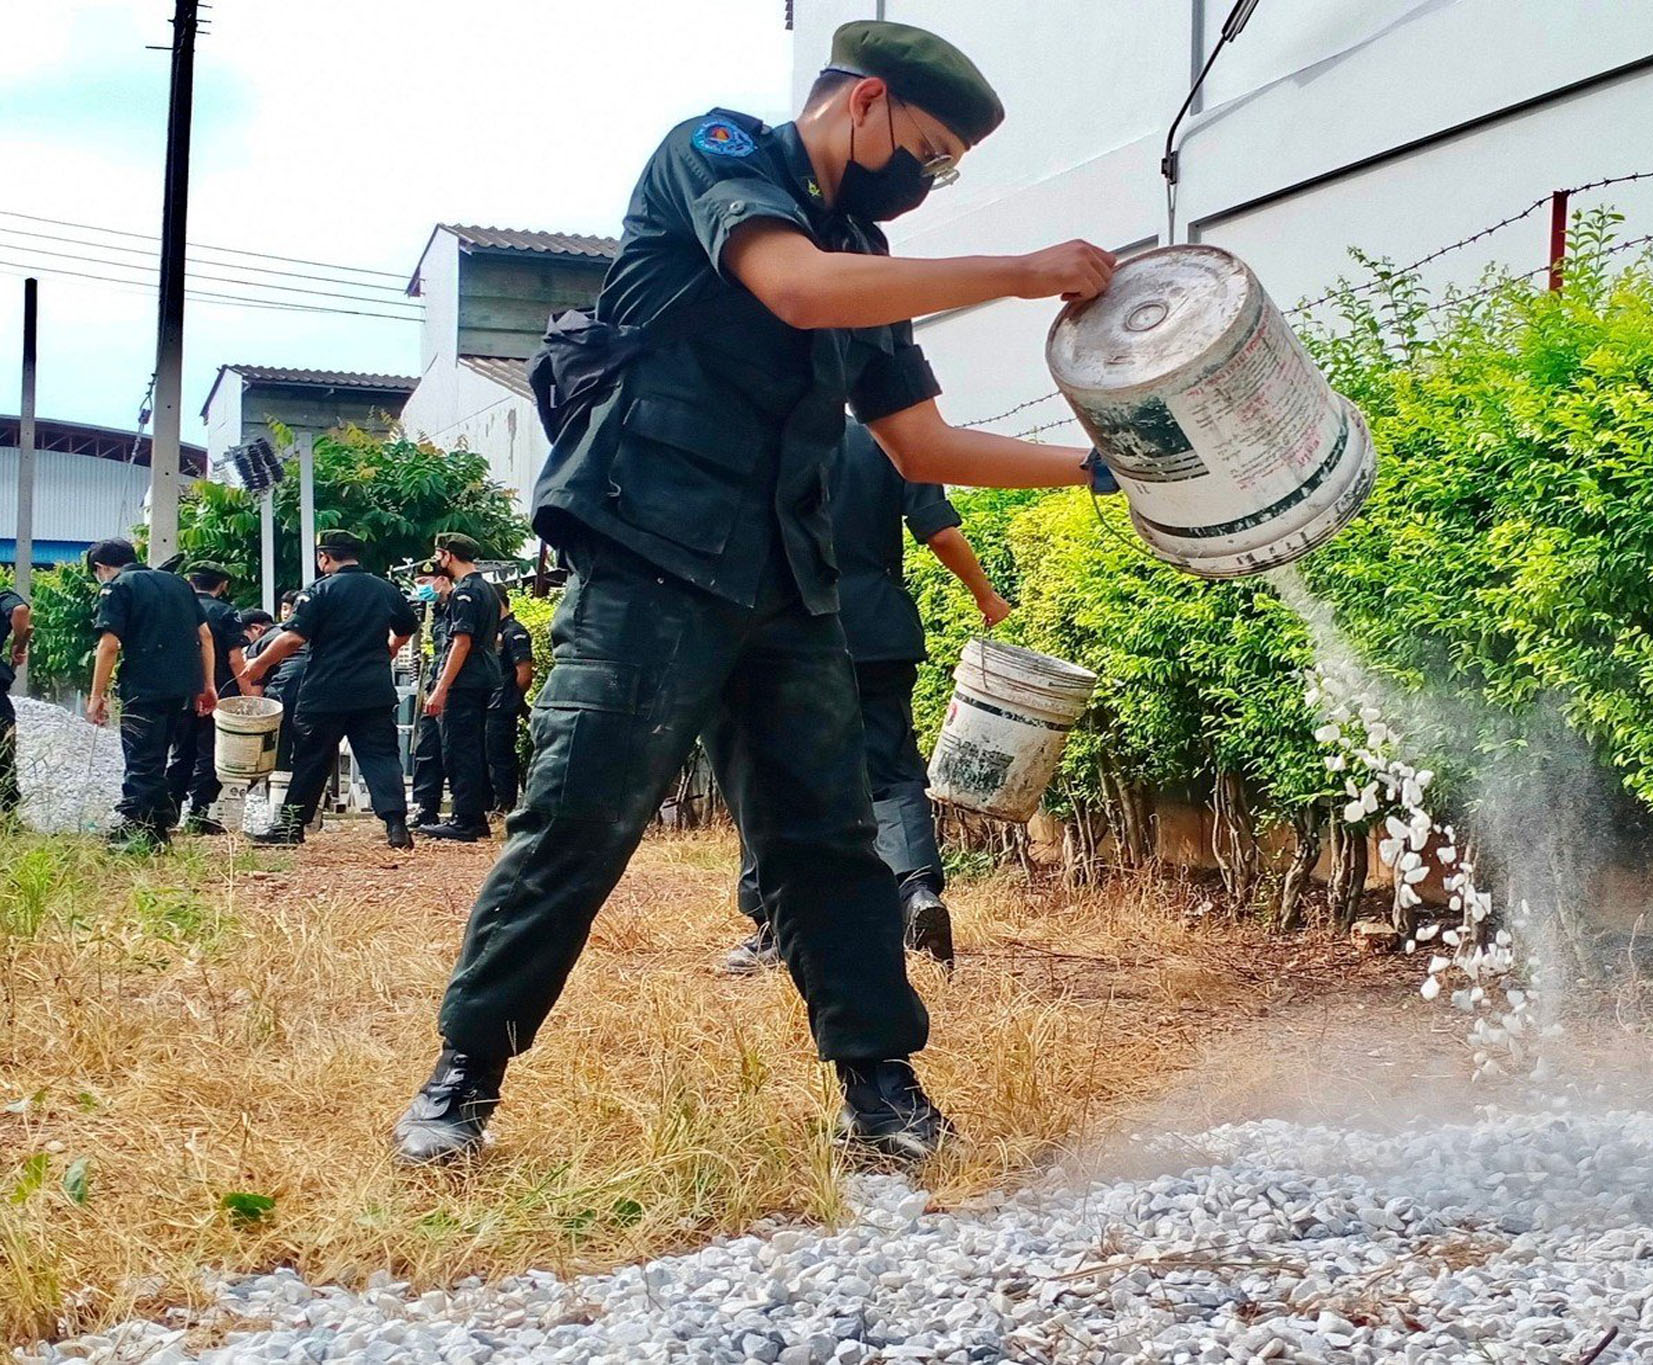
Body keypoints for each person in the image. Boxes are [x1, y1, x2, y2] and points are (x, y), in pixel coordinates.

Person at [393, 18, 1120, 1168]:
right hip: (649, 549)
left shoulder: (864, 260)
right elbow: (788, 287)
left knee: (828, 840)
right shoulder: (718, 151)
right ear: (864, 102)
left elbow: (919, 441)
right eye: (925, 151)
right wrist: (1025, 274)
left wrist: (1091, 467)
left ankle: (880, 1091)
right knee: (581, 815)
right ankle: (463, 1076)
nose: (923, 181)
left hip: (785, 579)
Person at [722, 419, 1008, 976]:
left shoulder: (762, 434)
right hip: (879, 631)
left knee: (772, 772)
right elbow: (940, 531)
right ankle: (916, 895)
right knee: (893, 769)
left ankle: (773, 926)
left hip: (787, 632)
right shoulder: (892, 441)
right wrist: (986, 596)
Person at [240, 530, 419, 850]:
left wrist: (260, 663)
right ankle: (396, 825)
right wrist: (389, 651)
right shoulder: (384, 589)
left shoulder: (319, 591)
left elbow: (293, 637)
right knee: (381, 756)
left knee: (312, 758)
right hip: (373, 690)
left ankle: (291, 827)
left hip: (327, 691)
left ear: (325, 557)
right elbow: (406, 628)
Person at [83, 539, 214, 851]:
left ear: (101, 568)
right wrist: (207, 684)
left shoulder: (118, 587)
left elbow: (110, 645)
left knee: (142, 760)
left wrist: (96, 695)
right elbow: (205, 636)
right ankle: (156, 827)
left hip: (144, 686)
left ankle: (141, 832)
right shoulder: (179, 584)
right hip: (182, 687)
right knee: (157, 758)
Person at [416, 534, 501, 843]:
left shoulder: (465, 593)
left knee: (458, 749)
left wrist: (440, 689)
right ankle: (473, 816)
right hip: (480, 676)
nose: (439, 563)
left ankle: (465, 819)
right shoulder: (486, 589)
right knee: (471, 748)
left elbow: (460, 643)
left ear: (448, 556)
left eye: (439, 557)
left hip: (464, 680)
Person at [167, 564, 249, 835]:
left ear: (190, 582)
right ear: (223, 585)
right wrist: (248, 694)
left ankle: (167, 814)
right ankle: (199, 814)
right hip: (219, 695)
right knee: (210, 755)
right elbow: (236, 659)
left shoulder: (177, 608)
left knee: (181, 754)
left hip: (180, 691)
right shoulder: (227, 613)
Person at [407, 566, 454, 827]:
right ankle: (426, 807)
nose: (421, 589)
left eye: (425, 582)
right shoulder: (436, 611)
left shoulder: (458, 606)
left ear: (442, 579)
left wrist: (442, 688)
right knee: (428, 749)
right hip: (435, 684)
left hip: (452, 689)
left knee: (454, 751)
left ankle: (465, 811)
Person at [485, 590, 535, 815]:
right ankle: (493, 803)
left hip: (502, 705)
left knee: (500, 755)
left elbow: (524, 674)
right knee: (488, 755)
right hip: (490, 703)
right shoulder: (494, 631)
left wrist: (512, 699)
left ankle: (505, 804)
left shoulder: (514, 632)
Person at [253, 592, 311, 775]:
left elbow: (254, 681)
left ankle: (279, 784)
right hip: (316, 689)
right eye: (284, 608)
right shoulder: (316, 633)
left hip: (283, 691)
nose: (286, 613)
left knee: (279, 742)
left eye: (291, 608)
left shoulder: (273, 636)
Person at [0, 576, 31, 818]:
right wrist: (19, 643)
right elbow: (20, 610)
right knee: (3, 750)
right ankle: (6, 812)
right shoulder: (5, 597)